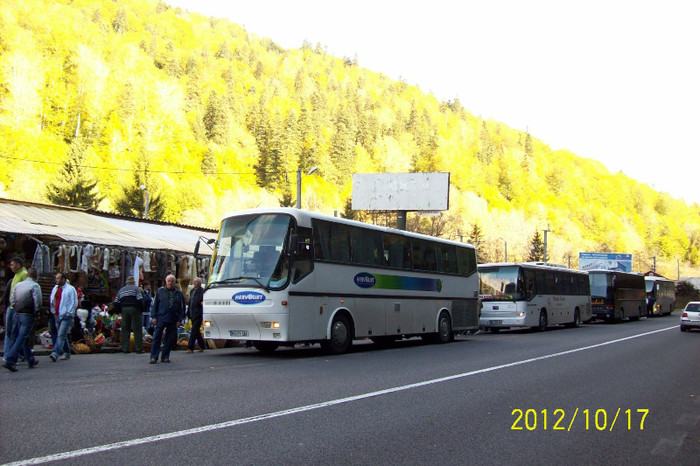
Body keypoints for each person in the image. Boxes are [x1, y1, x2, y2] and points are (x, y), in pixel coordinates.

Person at [3, 267, 41, 372]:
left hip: (17, 313)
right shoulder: (35, 285)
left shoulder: (18, 285)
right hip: (27, 314)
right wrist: (37, 312)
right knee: (22, 337)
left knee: (21, 337)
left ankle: (30, 359)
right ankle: (10, 359)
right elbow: (37, 301)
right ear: (35, 276)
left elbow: (12, 299)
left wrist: (15, 308)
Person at [149, 274, 184, 364]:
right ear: (166, 282)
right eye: (169, 281)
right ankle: (154, 357)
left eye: (172, 281)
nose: (170, 283)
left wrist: (179, 320)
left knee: (169, 339)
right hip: (161, 318)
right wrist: (153, 317)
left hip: (172, 319)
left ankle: (165, 356)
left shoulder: (178, 293)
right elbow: (154, 305)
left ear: (174, 282)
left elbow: (182, 308)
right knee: (157, 338)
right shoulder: (160, 292)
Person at [49, 272, 78, 362]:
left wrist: (69, 312)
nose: (56, 280)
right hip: (57, 315)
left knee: (61, 334)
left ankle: (55, 353)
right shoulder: (55, 288)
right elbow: (52, 300)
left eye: (58, 278)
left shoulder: (70, 289)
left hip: (66, 315)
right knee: (62, 334)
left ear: (63, 279)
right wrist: (53, 311)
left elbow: (74, 302)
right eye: (56, 278)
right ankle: (67, 352)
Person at [113, 276, 145, 353]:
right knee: (137, 329)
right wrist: (141, 309)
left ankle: (125, 348)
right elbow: (140, 300)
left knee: (125, 329)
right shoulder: (136, 288)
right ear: (133, 282)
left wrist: (120, 311)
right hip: (134, 309)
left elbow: (116, 302)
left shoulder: (121, 290)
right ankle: (138, 348)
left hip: (124, 310)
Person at [3, 257, 27, 358]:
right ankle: (12, 354)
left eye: (12, 265)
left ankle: (9, 355)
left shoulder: (24, 275)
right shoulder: (16, 275)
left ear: (18, 265)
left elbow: (24, 292)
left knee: (13, 333)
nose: (10, 267)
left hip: (17, 308)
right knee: (10, 332)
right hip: (12, 307)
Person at [186, 277, 205, 353]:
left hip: (198, 314)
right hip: (192, 313)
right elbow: (190, 302)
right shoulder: (192, 291)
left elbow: (201, 303)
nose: (195, 283)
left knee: (193, 330)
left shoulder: (202, 292)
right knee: (196, 331)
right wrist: (188, 312)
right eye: (194, 281)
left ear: (200, 283)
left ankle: (190, 348)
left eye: (196, 282)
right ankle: (202, 345)